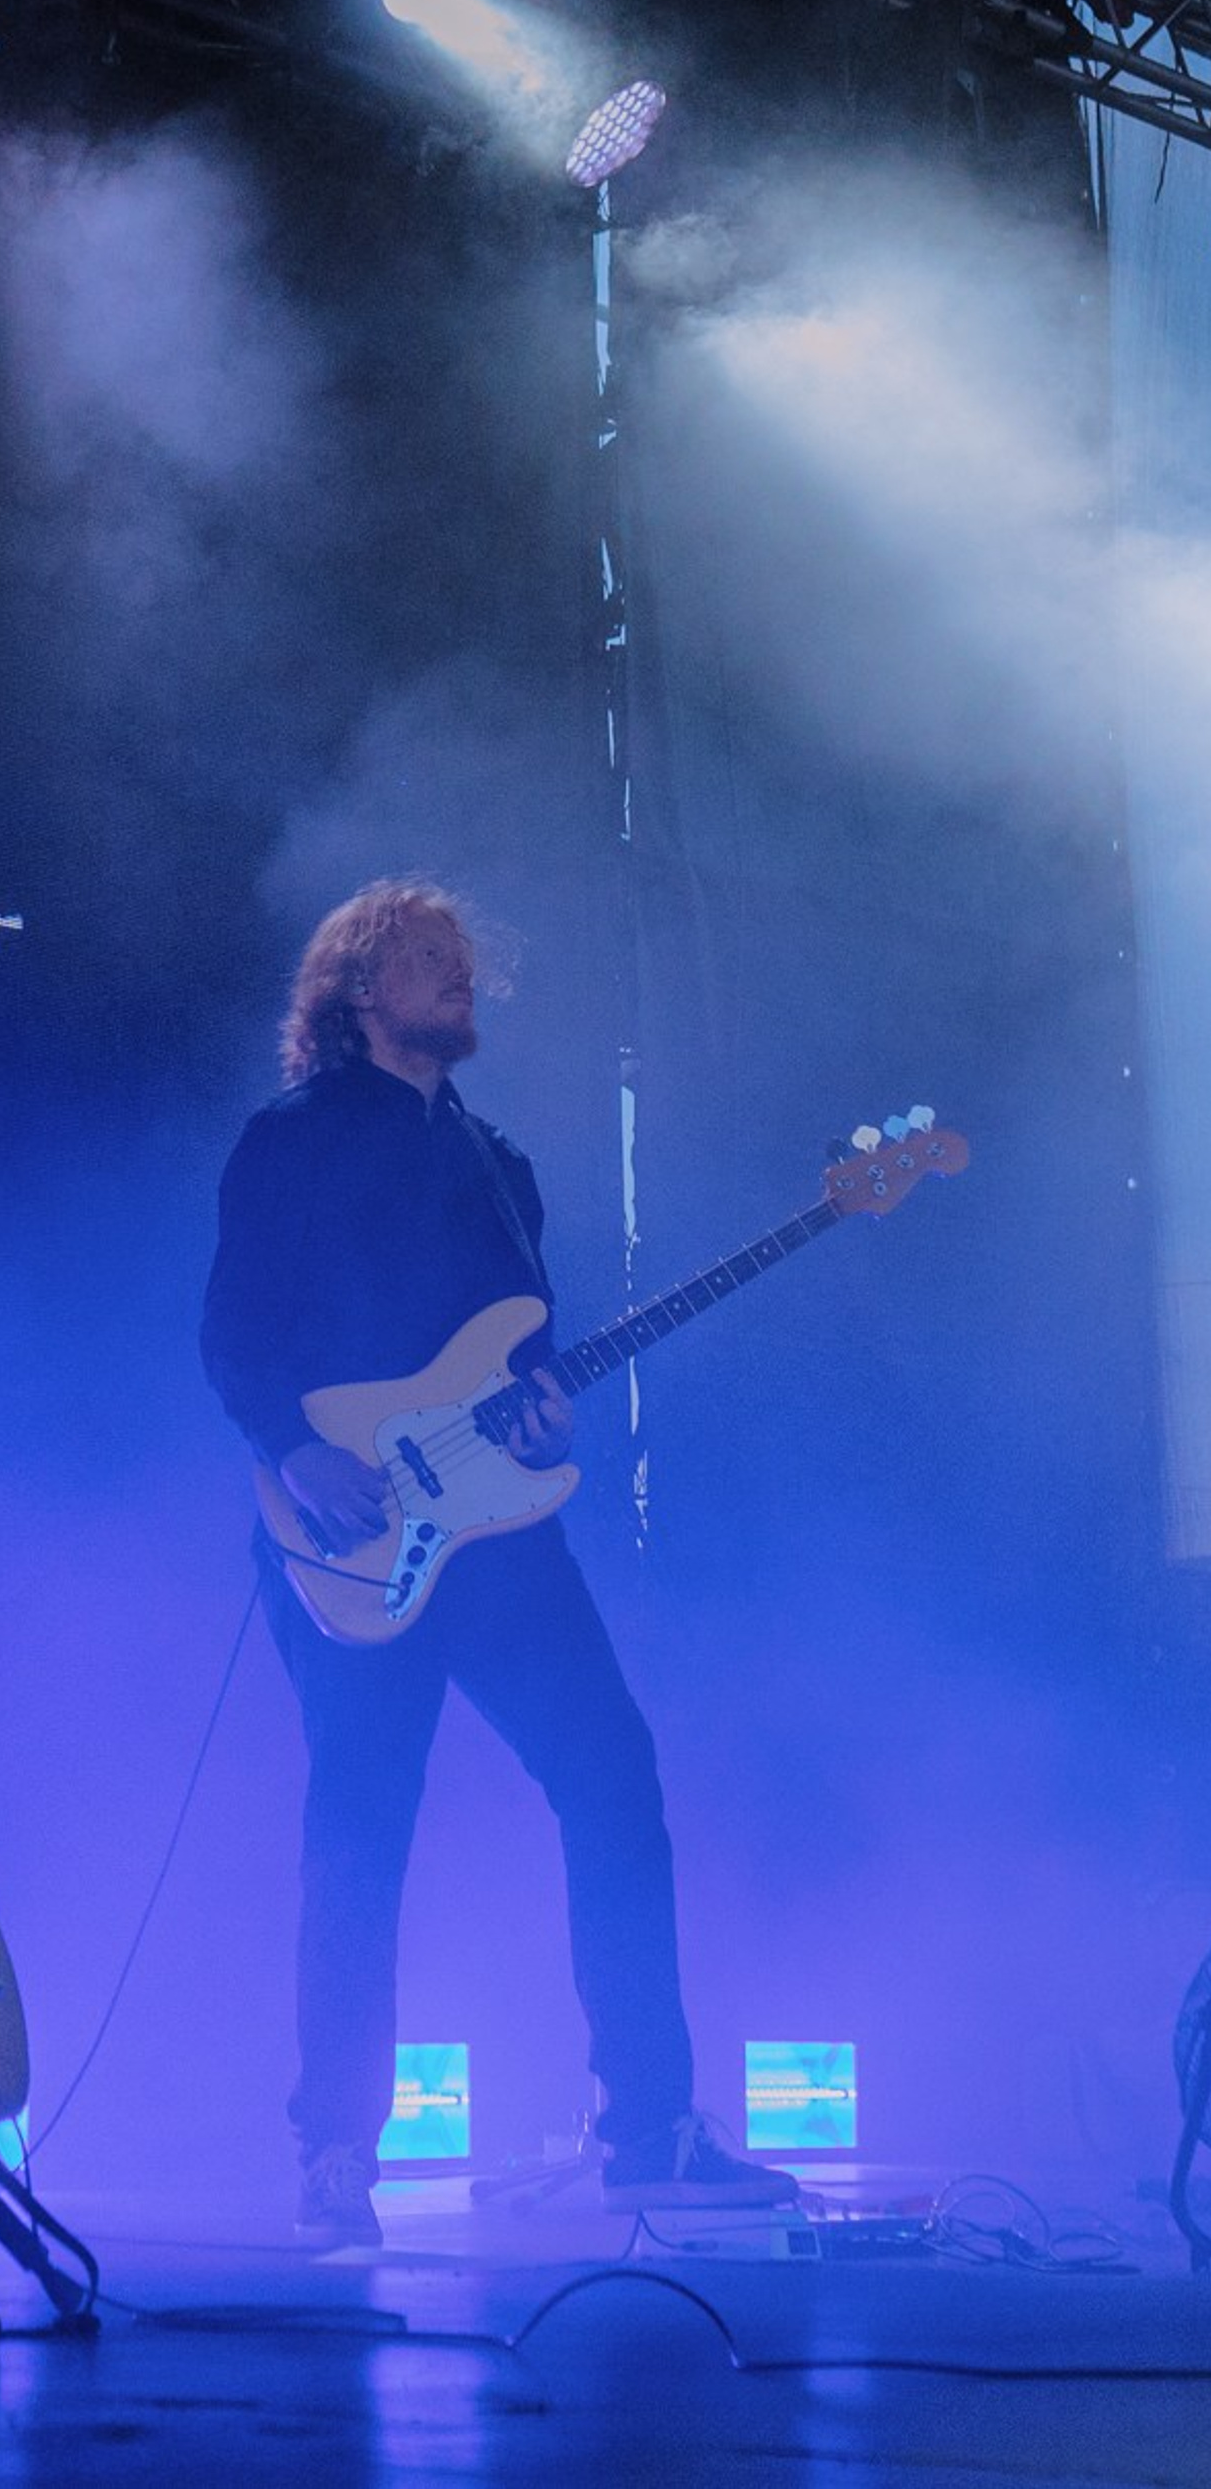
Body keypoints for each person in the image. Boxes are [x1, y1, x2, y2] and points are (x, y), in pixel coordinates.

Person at [202, 877, 800, 2247]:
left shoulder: (500, 1166)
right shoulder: (290, 1140)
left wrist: (543, 1410)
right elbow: (233, 1324)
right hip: (347, 1529)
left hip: (502, 1538)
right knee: (363, 1824)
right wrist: (295, 1448)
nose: (463, 980)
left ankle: (652, 2130)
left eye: (468, 965)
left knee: (614, 1779)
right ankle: (336, 2148)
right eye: (432, 962)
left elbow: (525, 1362)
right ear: (360, 991)